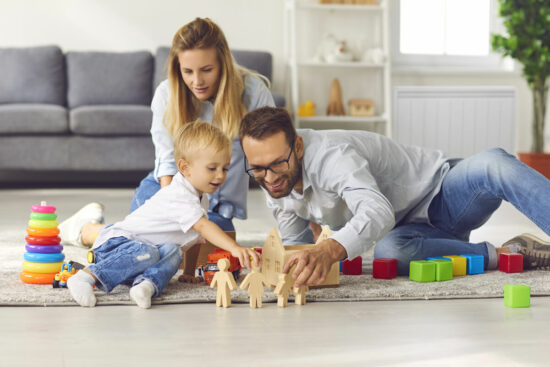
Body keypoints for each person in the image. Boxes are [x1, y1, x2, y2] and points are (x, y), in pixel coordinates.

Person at [238, 106, 550, 288]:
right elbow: (298, 249)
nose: (271, 177)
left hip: (444, 196)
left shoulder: (331, 156)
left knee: (494, 163)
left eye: (279, 163)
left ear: (299, 147)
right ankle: (507, 252)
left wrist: (330, 250)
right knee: (388, 252)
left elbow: (377, 211)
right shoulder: (274, 188)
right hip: (410, 235)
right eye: (258, 169)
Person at [58, 17, 275, 248]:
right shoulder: (166, 94)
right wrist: (173, 221)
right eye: (187, 71)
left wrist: (301, 218)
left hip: (215, 204)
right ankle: (84, 230)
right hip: (166, 192)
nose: (197, 81)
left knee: (210, 248)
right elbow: (168, 163)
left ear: (223, 64)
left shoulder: (253, 93)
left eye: (207, 70)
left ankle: (93, 228)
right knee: (146, 245)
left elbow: (272, 158)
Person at [67, 122, 260, 308]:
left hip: (141, 260)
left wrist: (190, 272)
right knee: (150, 252)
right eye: (212, 168)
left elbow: (195, 237)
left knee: (173, 251)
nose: (220, 175)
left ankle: (146, 285)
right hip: (114, 248)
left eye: (225, 168)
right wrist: (234, 247)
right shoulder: (179, 195)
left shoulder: (200, 198)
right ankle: (86, 276)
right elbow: (202, 226)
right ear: (185, 168)